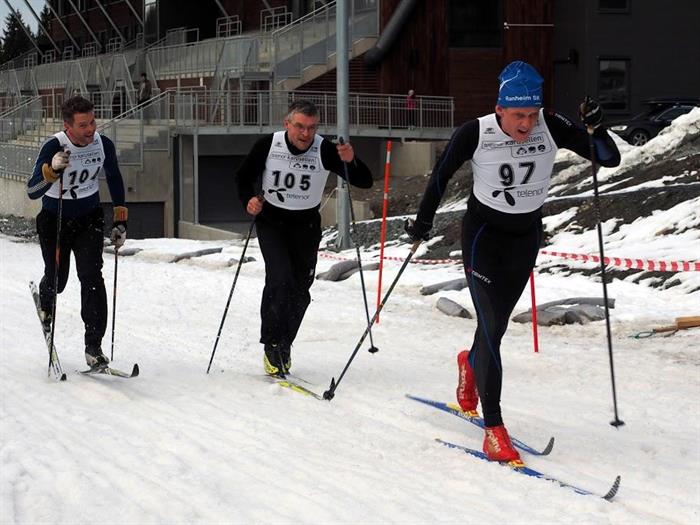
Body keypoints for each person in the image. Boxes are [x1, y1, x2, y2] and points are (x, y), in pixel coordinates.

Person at [405, 61, 621, 462]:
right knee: (490, 329)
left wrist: (597, 127)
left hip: (524, 239)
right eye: (518, 115)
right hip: (483, 238)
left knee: (497, 327)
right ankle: (494, 427)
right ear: (499, 109)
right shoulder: (475, 132)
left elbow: (607, 159)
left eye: (531, 115)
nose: (525, 125)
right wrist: (421, 224)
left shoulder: (550, 126)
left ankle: (470, 364)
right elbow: (440, 177)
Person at [236, 100, 373, 377]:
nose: (305, 134)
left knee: (301, 290)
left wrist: (351, 161)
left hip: (306, 226)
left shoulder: (323, 149)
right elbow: (242, 176)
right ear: (287, 124)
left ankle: (285, 343)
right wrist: (248, 200)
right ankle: (272, 344)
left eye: (311, 128)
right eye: (299, 126)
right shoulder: (269, 145)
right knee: (280, 280)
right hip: (272, 222)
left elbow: (364, 180)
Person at [27, 95, 128, 369]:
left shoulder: (102, 143)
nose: (90, 130)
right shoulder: (54, 145)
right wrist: (51, 171)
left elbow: (115, 178)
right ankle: (46, 299)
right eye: (83, 125)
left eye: (93, 122)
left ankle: (93, 346)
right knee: (58, 279)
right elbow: (32, 190)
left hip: (88, 219)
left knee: (92, 277)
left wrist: (121, 220)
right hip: (55, 219)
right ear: (68, 126)